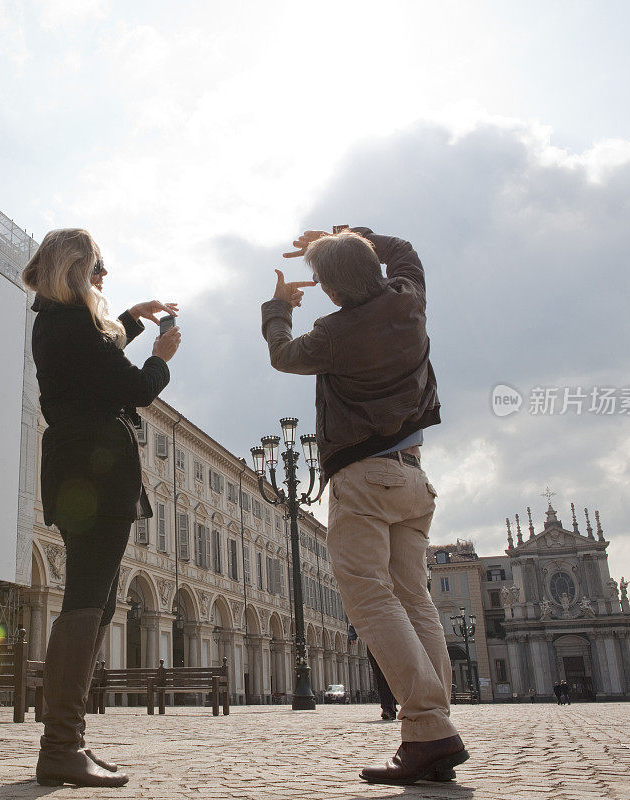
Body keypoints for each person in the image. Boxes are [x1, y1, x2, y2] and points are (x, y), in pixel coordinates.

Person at [261, 227, 468, 786]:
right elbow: (406, 249)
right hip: (413, 480)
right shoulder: (409, 300)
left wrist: (279, 307)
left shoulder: (332, 332)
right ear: (373, 266)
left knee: (370, 597)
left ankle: (428, 726)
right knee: (414, 598)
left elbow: (282, 354)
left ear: (328, 291)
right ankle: (434, 725)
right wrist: (345, 233)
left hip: (363, 478)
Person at [22, 229, 181, 787]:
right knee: (88, 600)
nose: (104, 277)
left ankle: (70, 741)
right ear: (76, 268)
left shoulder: (55, 321)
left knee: (97, 600)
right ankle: (61, 745)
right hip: (98, 472)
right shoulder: (71, 325)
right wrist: (161, 358)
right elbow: (134, 388)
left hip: (75, 469)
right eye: (97, 267)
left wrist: (132, 319)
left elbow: (98, 364)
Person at [367, 648, 398, 720]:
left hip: (391, 642)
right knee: (379, 677)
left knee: (386, 676)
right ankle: (388, 708)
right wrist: (353, 636)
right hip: (372, 643)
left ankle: (388, 708)